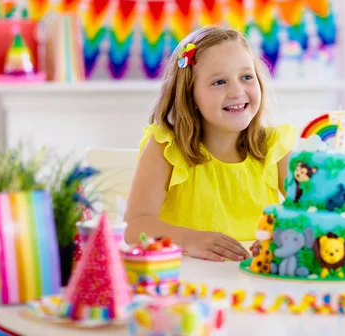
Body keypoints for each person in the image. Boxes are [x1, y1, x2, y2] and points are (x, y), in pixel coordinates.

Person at [124, 26, 296, 262]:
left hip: (256, 283)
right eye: (219, 82)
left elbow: (310, 213)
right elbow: (135, 227)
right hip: (187, 283)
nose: (237, 91)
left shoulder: (274, 147)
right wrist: (189, 239)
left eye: (246, 77)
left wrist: (283, 234)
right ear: (189, 95)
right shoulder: (165, 148)